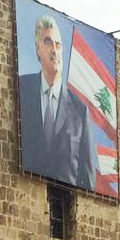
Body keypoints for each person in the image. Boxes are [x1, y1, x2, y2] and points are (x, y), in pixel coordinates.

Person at [18, 15, 96, 191]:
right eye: (47, 42)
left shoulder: (79, 111)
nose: (54, 49)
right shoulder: (21, 89)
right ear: (38, 48)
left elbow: (88, 177)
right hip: (26, 197)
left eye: (58, 44)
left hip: (64, 206)